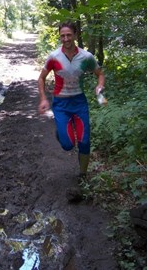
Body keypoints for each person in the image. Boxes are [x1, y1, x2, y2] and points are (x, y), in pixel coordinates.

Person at [38, 21, 105, 182]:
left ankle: (82, 175)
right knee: (67, 145)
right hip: (61, 104)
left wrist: (99, 87)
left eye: (69, 35)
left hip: (79, 102)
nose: (66, 39)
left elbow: (100, 74)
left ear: (75, 35)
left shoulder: (86, 57)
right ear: (59, 37)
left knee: (84, 140)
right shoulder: (54, 57)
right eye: (62, 36)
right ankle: (60, 134)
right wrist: (43, 98)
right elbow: (41, 78)